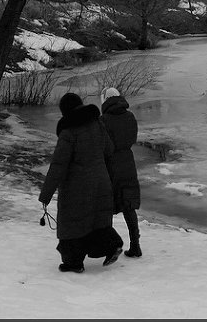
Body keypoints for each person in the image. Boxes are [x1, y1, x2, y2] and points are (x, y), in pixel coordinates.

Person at [39, 92, 124, 273]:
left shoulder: (68, 133)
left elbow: (58, 166)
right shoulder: (97, 124)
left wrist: (46, 194)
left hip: (76, 190)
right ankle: (112, 245)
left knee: (73, 224)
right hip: (101, 183)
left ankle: (73, 263)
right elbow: (109, 149)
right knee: (97, 221)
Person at [99, 86, 143, 258]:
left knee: (108, 205)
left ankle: (110, 247)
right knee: (128, 205)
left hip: (110, 165)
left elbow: (103, 145)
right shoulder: (130, 116)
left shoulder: (103, 120)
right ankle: (135, 246)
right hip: (128, 162)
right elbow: (132, 138)